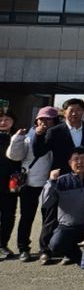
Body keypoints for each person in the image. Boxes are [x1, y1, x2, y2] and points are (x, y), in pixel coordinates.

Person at [6, 107, 58, 262]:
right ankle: (23, 248)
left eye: (49, 119)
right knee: (26, 217)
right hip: (30, 182)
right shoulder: (28, 136)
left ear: (55, 121)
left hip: (50, 182)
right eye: (42, 119)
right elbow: (14, 156)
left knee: (49, 218)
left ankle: (46, 248)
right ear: (36, 121)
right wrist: (17, 139)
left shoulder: (58, 135)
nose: (45, 122)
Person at [41, 146, 84, 265]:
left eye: (83, 158)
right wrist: (51, 181)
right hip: (69, 226)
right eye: (76, 159)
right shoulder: (61, 181)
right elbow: (45, 203)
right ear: (69, 162)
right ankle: (78, 257)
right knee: (55, 244)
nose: (80, 162)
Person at [33, 99, 84, 175]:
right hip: (62, 174)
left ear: (83, 111)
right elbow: (39, 152)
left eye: (78, 110)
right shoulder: (55, 131)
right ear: (64, 113)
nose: (74, 113)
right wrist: (39, 135)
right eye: (71, 110)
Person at [0, 109, 20, 260]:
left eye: (7, 119)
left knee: (8, 215)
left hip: (11, 183)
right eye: (1, 119)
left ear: (13, 122)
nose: (3, 122)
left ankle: (3, 244)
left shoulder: (18, 137)